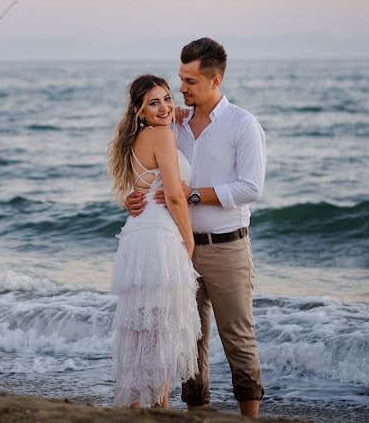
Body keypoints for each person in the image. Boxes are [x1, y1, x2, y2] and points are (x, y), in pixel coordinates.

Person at [126, 38, 266, 417]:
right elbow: (148, 172)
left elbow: (251, 187)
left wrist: (193, 196)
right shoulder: (174, 124)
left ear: (215, 80)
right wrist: (132, 197)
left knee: (237, 338)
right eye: (180, 80)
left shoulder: (243, 124)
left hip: (226, 247)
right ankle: (196, 413)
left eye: (189, 82)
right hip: (177, 248)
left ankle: (249, 416)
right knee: (190, 338)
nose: (181, 89)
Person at [107, 74, 200, 408]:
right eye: (153, 102)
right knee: (161, 326)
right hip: (161, 236)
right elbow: (174, 196)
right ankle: (160, 405)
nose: (163, 107)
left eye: (167, 98)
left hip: (137, 235)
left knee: (141, 325)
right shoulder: (160, 135)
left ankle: (135, 404)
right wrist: (188, 241)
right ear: (139, 111)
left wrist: (172, 111)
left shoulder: (136, 138)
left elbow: (137, 191)